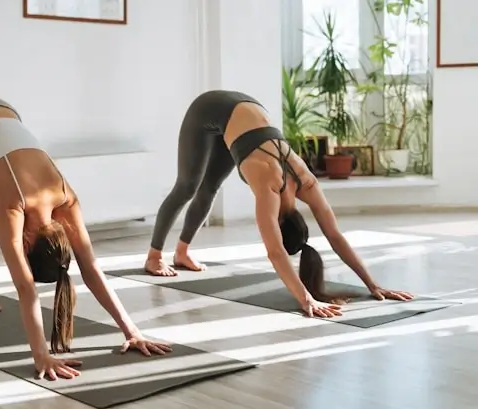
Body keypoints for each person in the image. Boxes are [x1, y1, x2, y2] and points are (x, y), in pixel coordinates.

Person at [0, 94, 172, 380]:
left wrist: (132, 332)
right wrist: (40, 355)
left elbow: (91, 268)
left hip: (3, 115)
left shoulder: (66, 201)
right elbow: (25, 289)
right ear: (29, 242)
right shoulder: (14, 205)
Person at [144, 90, 413, 318]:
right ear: (280, 225)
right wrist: (306, 299)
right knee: (188, 185)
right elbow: (275, 253)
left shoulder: (307, 182)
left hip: (243, 116)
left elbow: (335, 236)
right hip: (209, 108)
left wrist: (373, 285)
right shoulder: (268, 186)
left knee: (211, 186)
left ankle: (182, 253)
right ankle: (154, 256)